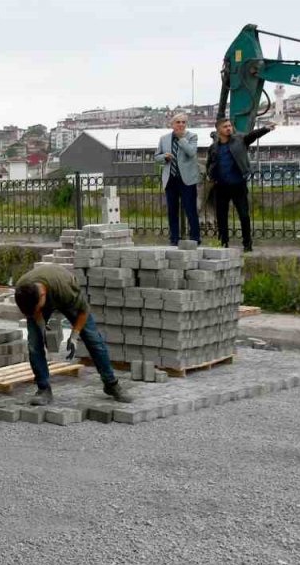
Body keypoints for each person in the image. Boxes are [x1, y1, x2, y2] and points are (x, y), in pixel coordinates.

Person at [13, 264, 131, 406]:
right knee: (34, 343)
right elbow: (34, 312)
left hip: (64, 294)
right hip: (39, 298)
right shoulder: (23, 291)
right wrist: (44, 329)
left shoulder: (66, 289)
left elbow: (83, 311)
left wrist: (74, 336)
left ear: (43, 295)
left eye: (38, 307)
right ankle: (43, 389)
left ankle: (111, 384)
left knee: (93, 339)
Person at [206, 117, 274, 252]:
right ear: (219, 130)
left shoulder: (240, 140)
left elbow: (252, 135)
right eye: (225, 126)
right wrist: (211, 175)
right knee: (221, 216)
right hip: (221, 186)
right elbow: (210, 163)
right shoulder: (214, 147)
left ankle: (247, 244)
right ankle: (223, 242)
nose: (228, 128)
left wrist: (266, 129)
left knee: (243, 215)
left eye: (230, 126)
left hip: (238, 185)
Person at [154, 114, 201, 245]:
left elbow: (191, 152)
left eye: (184, 122)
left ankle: (195, 238)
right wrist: (165, 156)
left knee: (190, 209)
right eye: (178, 122)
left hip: (187, 180)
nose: (181, 124)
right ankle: (174, 239)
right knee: (172, 210)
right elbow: (156, 157)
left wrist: (181, 139)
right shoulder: (164, 139)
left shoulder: (192, 136)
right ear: (172, 124)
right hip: (171, 179)